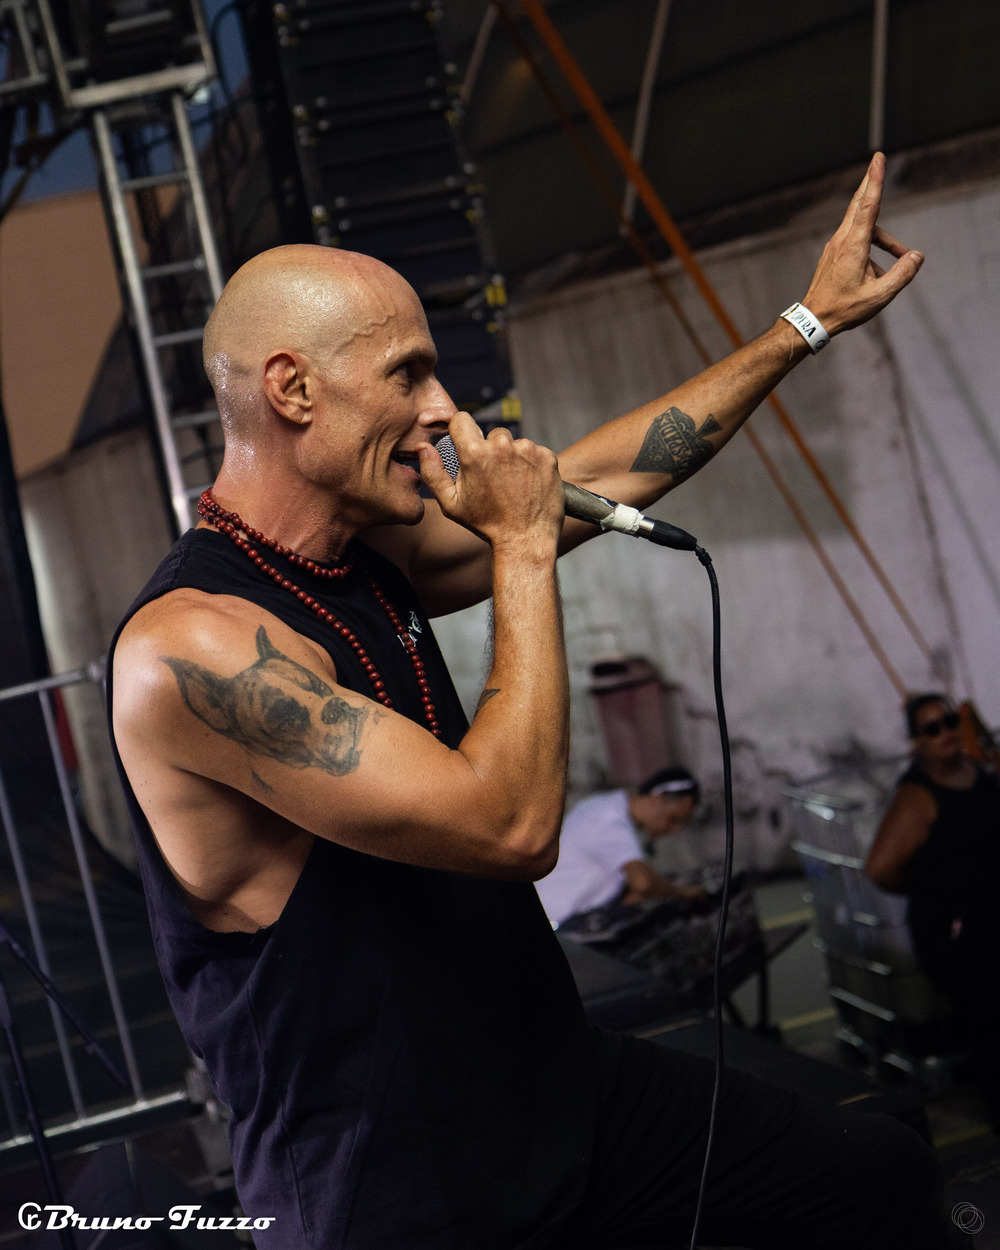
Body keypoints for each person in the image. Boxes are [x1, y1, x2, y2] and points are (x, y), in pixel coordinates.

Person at [108, 154, 959, 1247]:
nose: (441, 408)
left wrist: (804, 324)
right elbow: (507, 826)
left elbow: (610, 473)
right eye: (408, 375)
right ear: (293, 389)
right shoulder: (193, 652)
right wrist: (518, 547)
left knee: (878, 1175)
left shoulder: (366, 555)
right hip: (397, 1182)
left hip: (555, 1091)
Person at [865, 693, 1000, 1131]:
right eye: (932, 728)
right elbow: (880, 868)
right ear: (916, 740)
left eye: (950, 722)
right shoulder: (916, 797)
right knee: (989, 1020)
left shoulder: (976, 772)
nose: (946, 733)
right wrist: (935, 890)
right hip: (957, 935)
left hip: (989, 918)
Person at [537, 767, 704, 927]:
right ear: (657, 798)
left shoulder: (612, 809)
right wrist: (681, 892)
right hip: (556, 922)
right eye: (673, 819)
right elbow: (643, 883)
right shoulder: (608, 819)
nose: (673, 830)